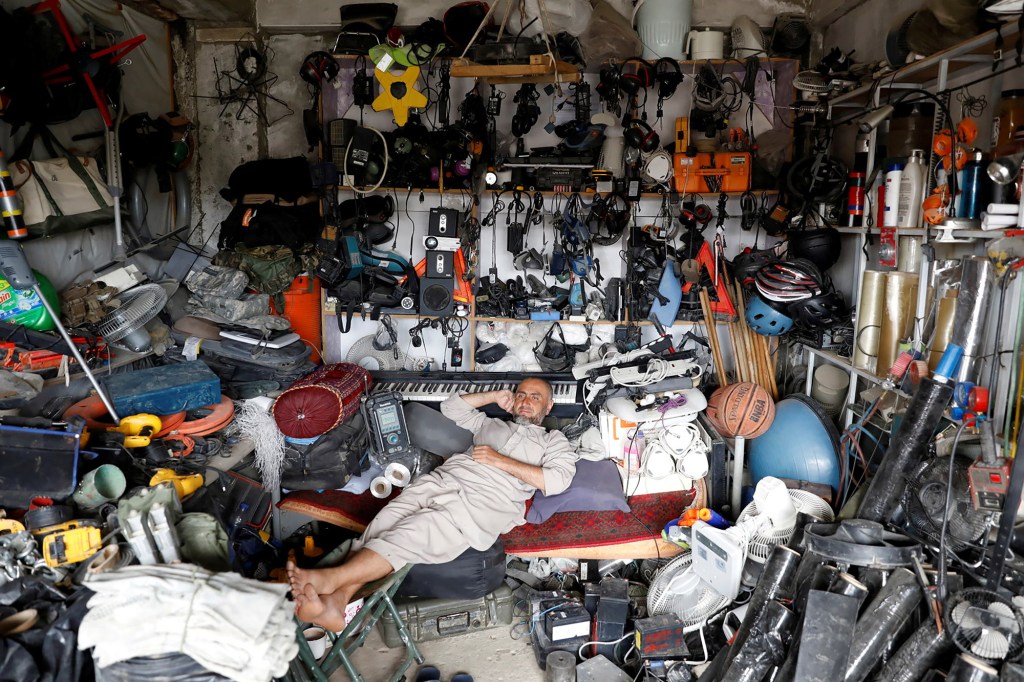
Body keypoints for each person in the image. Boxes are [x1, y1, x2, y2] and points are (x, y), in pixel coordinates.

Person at [288, 377, 578, 630]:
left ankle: (329, 580)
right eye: (521, 395)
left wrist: (498, 459)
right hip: (441, 481)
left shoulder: (553, 441)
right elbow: (452, 407)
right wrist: (493, 396)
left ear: (549, 407)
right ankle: (337, 604)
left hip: (481, 502)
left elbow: (557, 481)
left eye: (535, 397)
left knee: (412, 532)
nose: (526, 402)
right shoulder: (490, 424)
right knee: (382, 526)